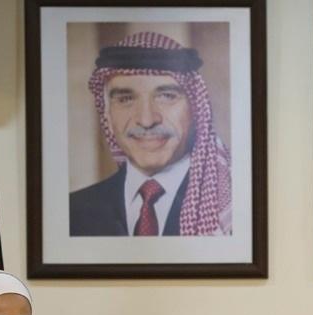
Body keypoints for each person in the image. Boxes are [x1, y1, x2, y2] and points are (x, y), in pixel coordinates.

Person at [69, 31, 231, 237]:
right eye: (126, 99)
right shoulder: (72, 213)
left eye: (167, 96)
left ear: (196, 109)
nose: (146, 120)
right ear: (107, 116)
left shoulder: (231, 211)